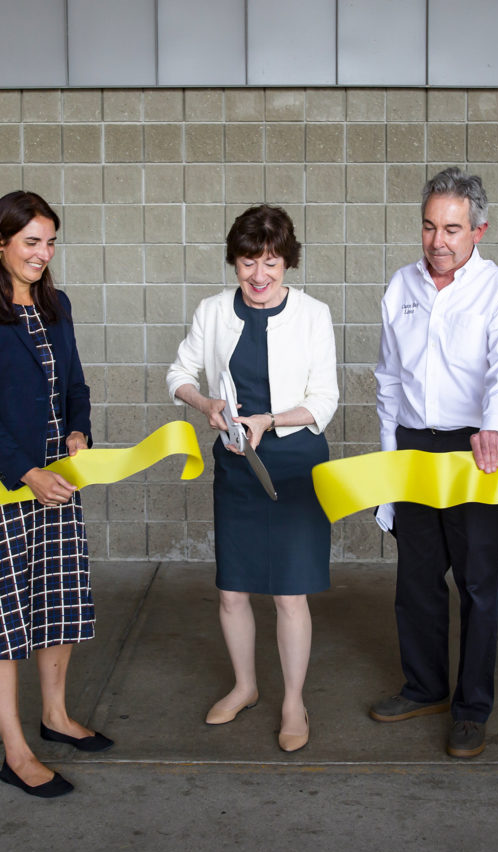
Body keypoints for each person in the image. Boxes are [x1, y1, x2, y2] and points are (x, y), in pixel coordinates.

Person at [0, 191, 112, 799]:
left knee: (56, 602)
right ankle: (16, 752)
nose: (43, 254)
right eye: (32, 242)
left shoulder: (55, 303)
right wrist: (24, 474)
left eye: (50, 242)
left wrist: (78, 429)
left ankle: (56, 717)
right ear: (1, 243)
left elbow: (75, 383)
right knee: (1, 616)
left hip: (56, 481)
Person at [371, 167, 498, 758]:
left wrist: (494, 426)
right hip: (414, 444)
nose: (439, 240)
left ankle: (472, 708)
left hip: (476, 448)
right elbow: (389, 379)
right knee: (415, 580)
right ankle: (425, 687)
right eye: (430, 227)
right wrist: (389, 465)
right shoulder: (400, 287)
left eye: (454, 228)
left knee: (477, 584)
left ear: (479, 230)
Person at [166, 204, 338, 753]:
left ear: (287, 262)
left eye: (270, 262)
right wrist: (206, 402)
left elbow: (325, 400)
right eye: (247, 262)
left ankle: (293, 700)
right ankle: (244, 686)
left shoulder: (313, 314)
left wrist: (270, 419)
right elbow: (178, 375)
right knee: (233, 589)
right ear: (234, 263)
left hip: (295, 463)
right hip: (236, 463)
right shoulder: (213, 312)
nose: (259, 276)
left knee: (290, 594)